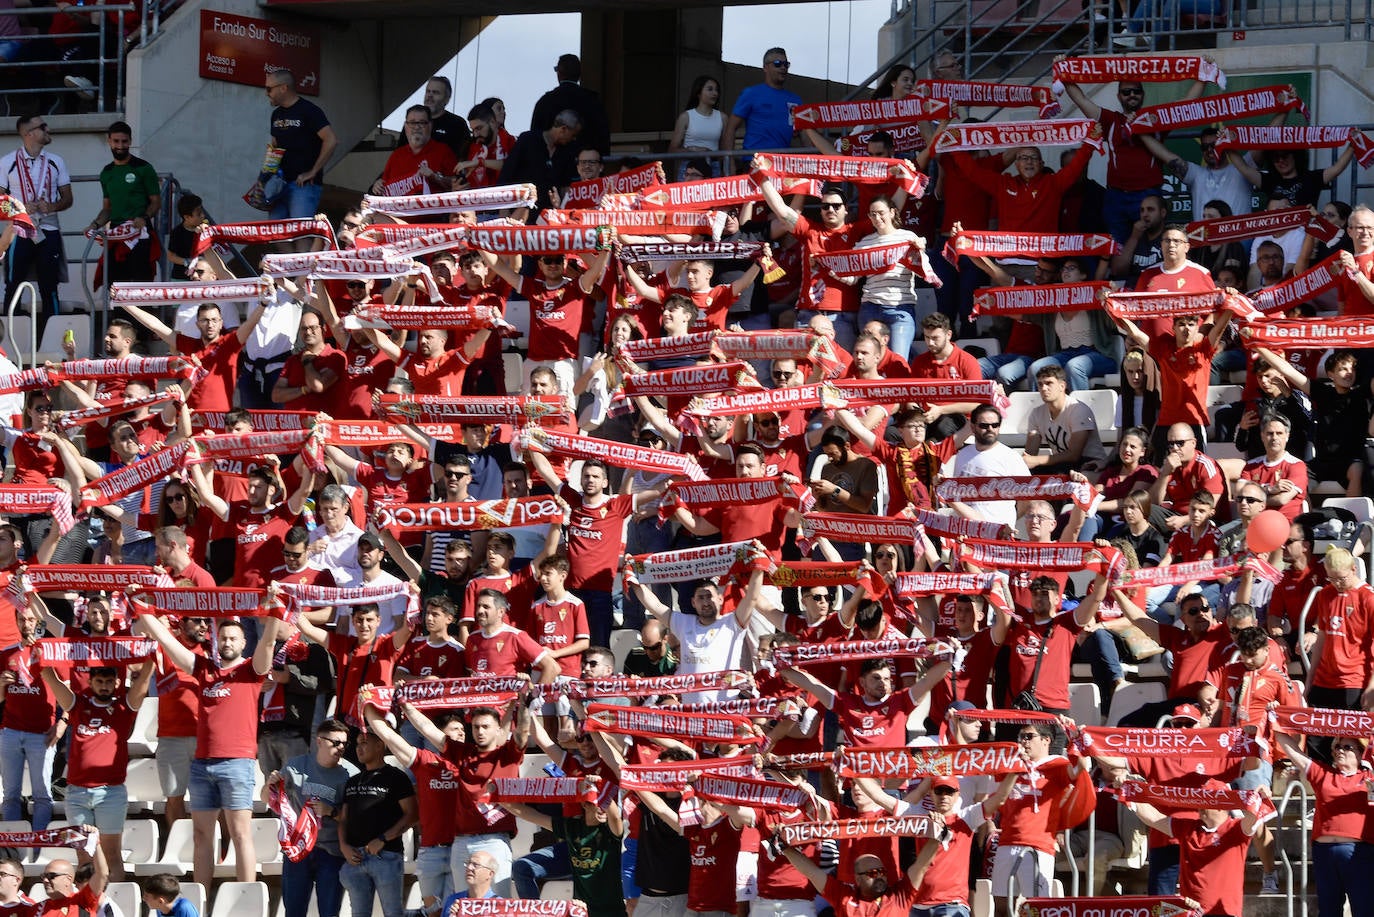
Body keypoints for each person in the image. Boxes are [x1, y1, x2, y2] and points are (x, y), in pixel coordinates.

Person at [135, 609, 281, 888]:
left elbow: (269, 643)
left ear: (242, 643)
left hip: (237, 763)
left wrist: (275, 611)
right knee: (202, 835)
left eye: (233, 638)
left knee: (240, 834)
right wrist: (141, 609)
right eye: (223, 638)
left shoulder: (251, 670)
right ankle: (203, 897)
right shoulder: (204, 668)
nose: (227, 642)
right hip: (202, 765)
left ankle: (245, 898)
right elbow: (167, 641)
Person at [39, 661, 154, 881]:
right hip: (77, 794)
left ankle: (111, 906)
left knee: (112, 856)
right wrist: (39, 653)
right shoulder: (78, 705)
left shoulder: (124, 708)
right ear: (90, 682)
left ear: (117, 683)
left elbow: (144, 679)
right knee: (84, 857)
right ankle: (87, 909)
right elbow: (51, 678)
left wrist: (149, 658)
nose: (104, 686)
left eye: (109, 682)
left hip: (110, 794)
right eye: (99, 681)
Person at [1274, 728, 1374, 917]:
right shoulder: (1324, 774)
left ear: (1361, 754)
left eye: (1347, 747)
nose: (1340, 750)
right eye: (1337, 746)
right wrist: (1276, 720)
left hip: (1360, 854)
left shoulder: (1369, 779)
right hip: (1324, 854)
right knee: (1328, 910)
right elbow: (1292, 750)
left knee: (1365, 909)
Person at [1128, 783, 1269, 917]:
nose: (1200, 805)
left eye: (1206, 801)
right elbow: (1154, 818)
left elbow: (1253, 817)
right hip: (1191, 912)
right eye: (1200, 800)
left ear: (1221, 806)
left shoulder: (1237, 829)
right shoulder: (1187, 828)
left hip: (1225, 912)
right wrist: (1128, 792)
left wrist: (1261, 797)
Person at [265, 719, 359, 917]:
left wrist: (331, 811)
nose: (341, 747)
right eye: (335, 742)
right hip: (298, 848)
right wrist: (269, 785)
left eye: (344, 743)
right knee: (294, 911)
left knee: (329, 911)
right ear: (319, 741)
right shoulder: (295, 766)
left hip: (332, 851)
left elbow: (356, 818)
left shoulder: (351, 774)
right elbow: (267, 799)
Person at [337, 728, 418, 917]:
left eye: (364, 742)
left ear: (380, 745)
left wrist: (383, 838)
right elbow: (343, 819)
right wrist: (343, 846)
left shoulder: (396, 777)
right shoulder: (352, 781)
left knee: (393, 913)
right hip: (355, 858)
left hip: (386, 856)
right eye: (357, 744)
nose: (359, 748)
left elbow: (413, 814)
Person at [1, 114, 72, 320]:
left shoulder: (56, 161)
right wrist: (19, 209)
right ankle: (6, 341)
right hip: (19, 231)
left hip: (48, 230)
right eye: (43, 126)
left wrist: (51, 205)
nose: (48, 129)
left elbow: (68, 199)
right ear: (28, 134)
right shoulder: (7, 162)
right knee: (13, 285)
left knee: (50, 286)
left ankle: (55, 337)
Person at [0, 604, 60, 832]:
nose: (27, 624)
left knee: (42, 795)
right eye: (23, 619)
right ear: (16, 621)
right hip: (11, 732)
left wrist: (63, 723)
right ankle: (12, 851)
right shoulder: (6, 654)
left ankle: (39, 850)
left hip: (42, 733)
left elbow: (67, 690)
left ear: (40, 623)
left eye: (32, 620)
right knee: (10, 796)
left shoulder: (51, 651)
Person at [87, 120, 160, 285]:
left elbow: (156, 202)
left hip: (140, 233)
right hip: (116, 234)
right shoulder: (106, 172)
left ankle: (143, 311)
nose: (120, 145)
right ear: (109, 142)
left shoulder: (144, 168)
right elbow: (107, 208)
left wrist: (144, 217)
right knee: (115, 285)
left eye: (124, 141)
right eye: (116, 141)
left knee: (141, 287)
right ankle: (117, 312)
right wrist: (94, 225)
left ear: (130, 142)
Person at [265, 69, 338, 230]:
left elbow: (331, 140)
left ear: (283, 88)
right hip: (280, 184)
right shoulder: (276, 114)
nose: (266, 93)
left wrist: (313, 171)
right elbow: (274, 147)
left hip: (303, 185)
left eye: (269, 89)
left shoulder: (309, 111)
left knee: (300, 234)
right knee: (274, 232)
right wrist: (265, 177)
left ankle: (308, 256)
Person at [949, 403, 1031, 529]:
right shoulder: (962, 454)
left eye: (995, 425)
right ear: (972, 427)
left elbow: (1027, 497)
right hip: (966, 530)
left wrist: (1009, 520)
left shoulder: (1011, 457)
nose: (990, 429)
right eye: (984, 425)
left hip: (997, 532)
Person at [724, 48, 800, 168]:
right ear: (765, 67)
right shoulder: (751, 93)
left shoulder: (795, 100)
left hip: (784, 164)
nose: (783, 68)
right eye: (777, 64)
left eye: (786, 64)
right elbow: (730, 128)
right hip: (755, 162)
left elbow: (805, 134)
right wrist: (729, 164)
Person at [499, 109, 581, 210]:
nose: (574, 139)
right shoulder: (527, 141)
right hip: (520, 212)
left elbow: (566, 186)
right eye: (573, 135)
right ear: (563, 129)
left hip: (549, 215)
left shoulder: (567, 152)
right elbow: (506, 175)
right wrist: (504, 210)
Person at [371, 105, 459, 198]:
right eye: (412, 123)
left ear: (430, 125)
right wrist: (378, 186)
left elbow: (457, 185)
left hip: (431, 211)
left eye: (422, 123)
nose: (417, 127)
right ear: (406, 126)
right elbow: (384, 187)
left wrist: (435, 177)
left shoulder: (443, 151)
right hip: (399, 212)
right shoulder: (396, 155)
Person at [530, 53, 611, 155]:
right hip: (585, 165)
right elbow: (603, 138)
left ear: (559, 73)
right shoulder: (593, 102)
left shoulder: (545, 102)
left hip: (554, 166)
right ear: (579, 75)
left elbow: (535, 140)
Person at [668, 76, 726, 177]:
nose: (715, 93)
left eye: (717, 90)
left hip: (713, 167)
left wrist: (712, 155)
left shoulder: (723, 117)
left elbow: (725, 149)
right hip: (689, 168)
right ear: (698, 93)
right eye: (710, 89)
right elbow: (672, 149)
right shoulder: (685, 117)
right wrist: (694, 151)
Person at [423, 75, 472, 159]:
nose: (430, 95)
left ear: (447, 99)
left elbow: (465, 157)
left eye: (435, 92)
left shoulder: (458, 124)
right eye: (428, 91)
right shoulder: (413, 120)